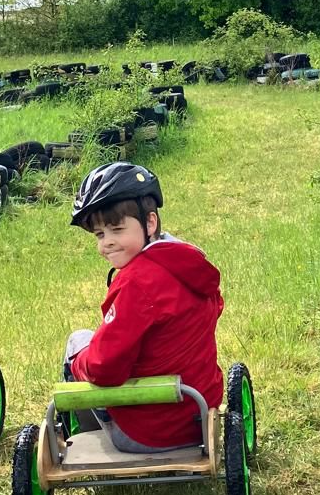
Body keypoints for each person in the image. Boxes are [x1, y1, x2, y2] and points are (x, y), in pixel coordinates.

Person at [65, 161, 224, 452]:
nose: (106, 243)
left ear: (150, 223)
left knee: (79, 342)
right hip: (200, 418)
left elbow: (104, 368)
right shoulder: (190, 265)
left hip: (147, 434)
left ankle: (86, 438)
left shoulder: (137, 283)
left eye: (117, 229)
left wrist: (78, 361)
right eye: (100, 234)